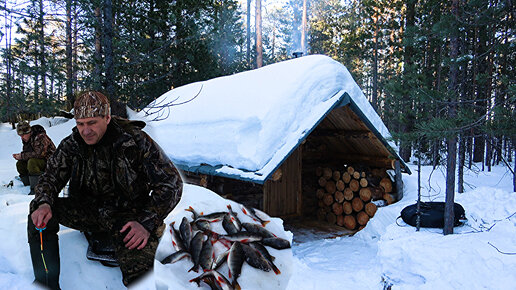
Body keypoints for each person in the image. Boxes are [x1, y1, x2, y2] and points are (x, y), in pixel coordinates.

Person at [28, 91, 183, 289]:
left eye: (92, 122)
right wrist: (44, 203)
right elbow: (50, 177)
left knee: (139, 275)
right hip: (89, 211)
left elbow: (171, 183)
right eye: (80, 123)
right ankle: (45, 283)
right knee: (38, 212)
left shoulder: (135, 140)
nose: (85, 130)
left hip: (129, 218)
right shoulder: (72, 144)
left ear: (107, 117)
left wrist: (146, 221)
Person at [13, 120, 56, 195]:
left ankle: (36, 188)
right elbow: (28, 153)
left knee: (32, 162)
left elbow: (40, 154)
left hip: (51, 163)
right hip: (40, 161)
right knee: (20, 164)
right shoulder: (27, 139)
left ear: (28, 132)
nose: (21, 138)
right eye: (20, 136)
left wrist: (22, 156)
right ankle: (28, 184)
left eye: (23, 135)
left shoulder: (39, 137)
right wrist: (21, 156)